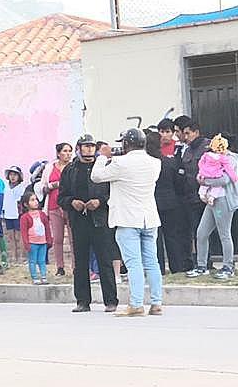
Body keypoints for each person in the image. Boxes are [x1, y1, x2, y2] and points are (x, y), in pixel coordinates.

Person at [92, 128, 163, 317]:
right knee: (152, 262)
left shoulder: (120, 163)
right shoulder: (155, 163)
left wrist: (102, 157)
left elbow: (96, 176)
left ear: (125, 144)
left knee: (133, 263)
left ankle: (136, 303)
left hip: (128, 219)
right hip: (149, 218)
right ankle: (156, 303)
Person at [60, 134, 119, 312]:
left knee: (105, 261)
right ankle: (83, 301)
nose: (89, 149)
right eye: (85, 146)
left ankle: (110, 301)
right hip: (79, 220)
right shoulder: (70, 170)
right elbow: (61, 196)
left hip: (100, 220)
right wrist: (72, 202)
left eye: (92, 146)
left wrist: (100, 202)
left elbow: (113, 193)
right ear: (79, 148)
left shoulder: (103, 167)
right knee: (81, 262)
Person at [186, 133, 238, 281]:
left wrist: (205, 182)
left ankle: (228, 266)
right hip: (212, 200)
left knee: (224, 233)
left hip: (224, 199)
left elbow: (224, 179)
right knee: (201, 232)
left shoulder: (231, 159)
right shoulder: (210, 156)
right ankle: (201, 265)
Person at [146, 129, 190, 273]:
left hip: (152, 204)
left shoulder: (146, 165)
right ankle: (176, 267)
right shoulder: (169, 162)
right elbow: (179, 182)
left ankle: (158, 268)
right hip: (171, 202)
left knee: (155, 239)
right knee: (172, 236)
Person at [176, 119, 210, 264]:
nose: (186, 136)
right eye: (183, 133)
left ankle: (214, 261)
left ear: (196, 132)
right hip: (191, 197)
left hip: (207, 196)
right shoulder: (187, 150)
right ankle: (202, 261)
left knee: (210, 231)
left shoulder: (208, 147)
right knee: (197, 231)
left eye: (188, 133)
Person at [43, 142, 74, 277]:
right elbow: (42, 187)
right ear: (58, 153)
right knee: (58, 238)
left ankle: (75, 266)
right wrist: (54, 185)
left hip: (70, 206)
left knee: (74, 239)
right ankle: (60, 266)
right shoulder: (50, 167)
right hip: (54, 206)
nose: (67, 154)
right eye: (65, 151)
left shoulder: (74, 167)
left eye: (69, 151)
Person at [196, 135, 238, 206]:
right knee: (217, 187)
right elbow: (227, 172)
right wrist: (234, 178)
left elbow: (200, 162)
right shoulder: (223, 158)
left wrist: (201, 171)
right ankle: (212, 197)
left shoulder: (206, 154)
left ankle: (202, 193)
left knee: (204, 186)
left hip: (205, 173)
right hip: (215, 174)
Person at [21, 191, 49, 284]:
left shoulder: (42, 214)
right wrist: (26, 243)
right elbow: (24, 232)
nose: (36, 202)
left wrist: (49, 239)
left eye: (36, 199)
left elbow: (47, 227)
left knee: (42, 260)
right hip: (32, 242)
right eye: (32, 200)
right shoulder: (25, 217)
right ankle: (35, 277)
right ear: (26, 204)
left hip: (42, 242)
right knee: (32, 261)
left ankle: (44, 276)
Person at [3, 165, 29, 260]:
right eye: (11, 174)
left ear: (19, 176)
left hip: (18, 215)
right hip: (8, 214)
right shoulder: (5, 187)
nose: (13, 177)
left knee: (20, 236)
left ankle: (22, 256)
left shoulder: (22, 188)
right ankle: (14, 256)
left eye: (15, 175)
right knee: (11, 237)